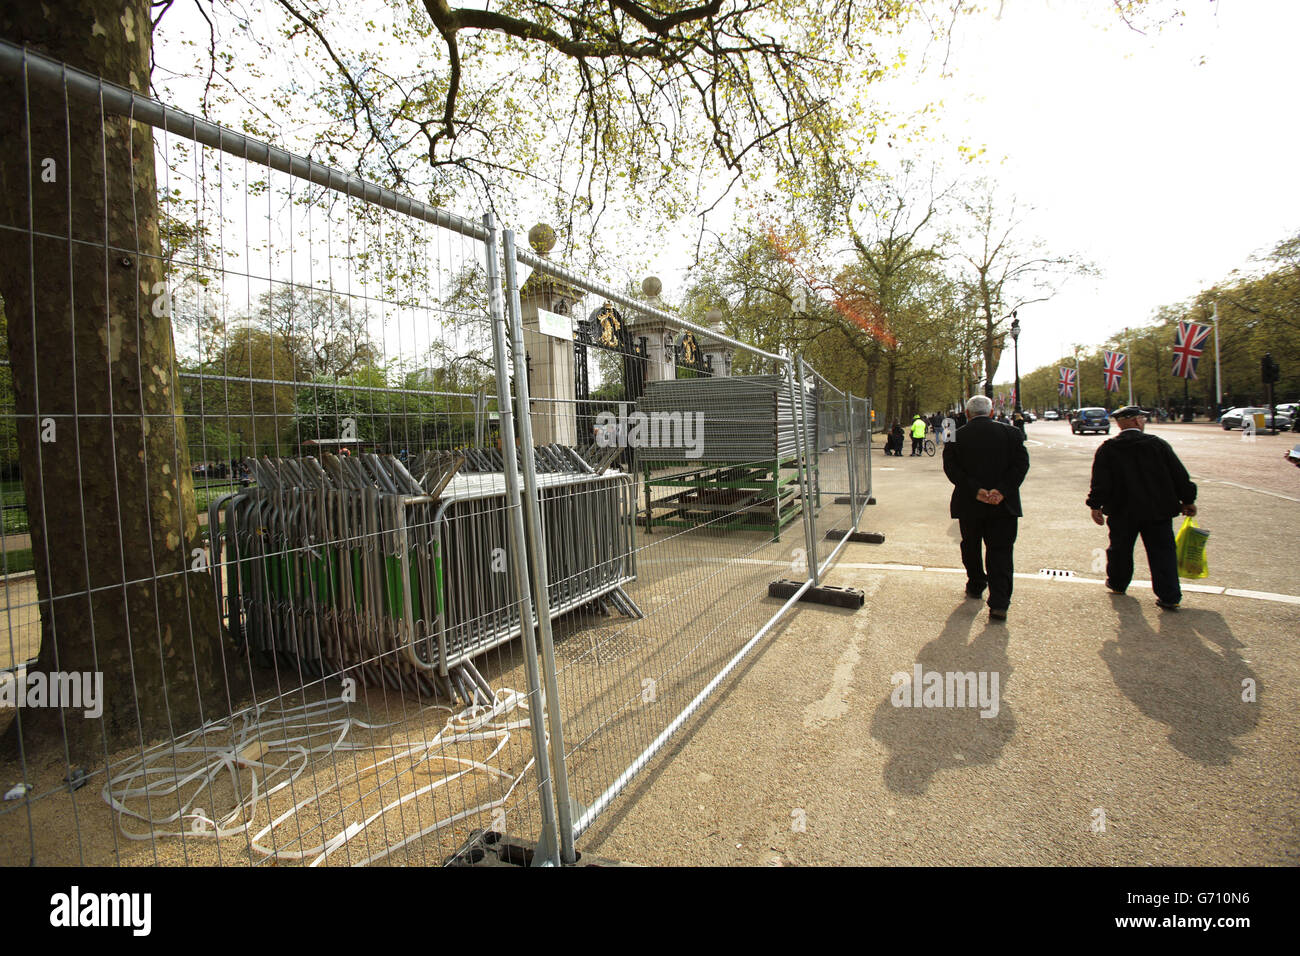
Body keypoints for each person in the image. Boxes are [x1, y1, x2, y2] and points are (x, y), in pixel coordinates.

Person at [1086, 405, 1197, 610]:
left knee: (1120, 550)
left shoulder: (1108, 448)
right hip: (1158, 510)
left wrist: (1095, 505)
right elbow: (1179, 476)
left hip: (1122, 510)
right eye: (1142, 419)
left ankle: (1118, 583)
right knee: (1162, 552)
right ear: (1136, 421)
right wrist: (1188, 499)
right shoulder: (1157, 445)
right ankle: (1169, 594)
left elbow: (1100, 482)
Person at [942, 395, 1030, 620]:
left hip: (970, 502)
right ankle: (1000, 602)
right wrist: (1002, 490)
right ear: (992, 413)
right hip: (1003, 504)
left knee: (971, 546)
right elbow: (1021, 465)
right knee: (1000, 552)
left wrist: (975, 490)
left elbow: (952, 468)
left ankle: (976, 582)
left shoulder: (954, 436)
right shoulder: (1012, 433)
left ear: (968, 414)